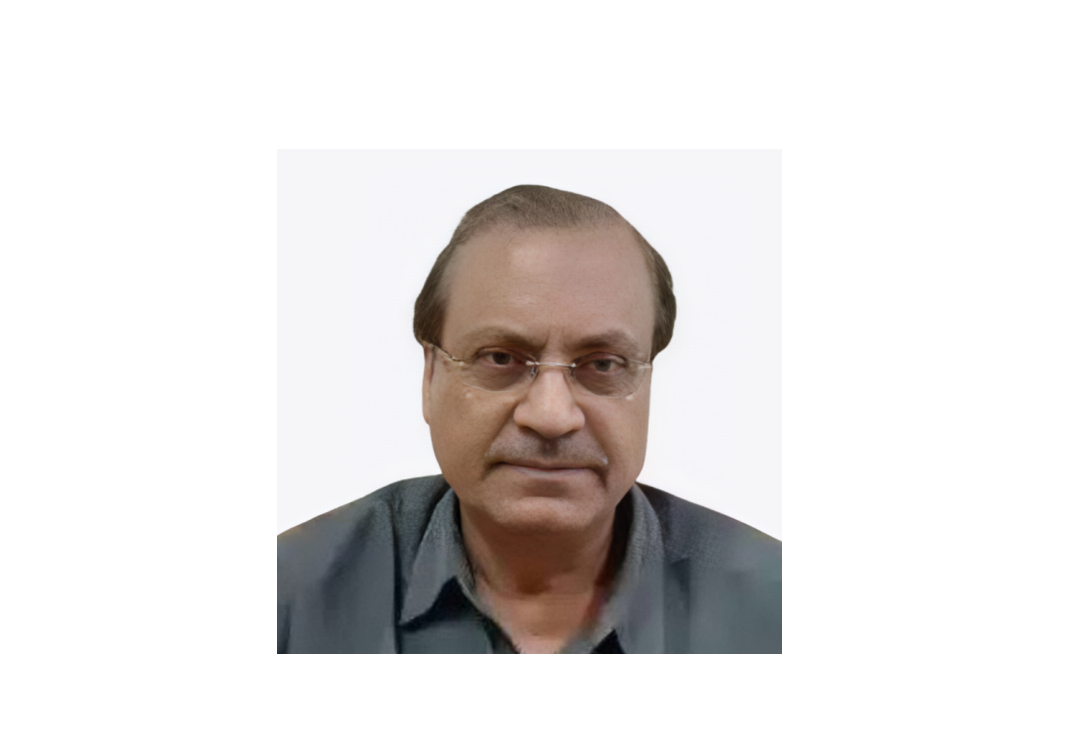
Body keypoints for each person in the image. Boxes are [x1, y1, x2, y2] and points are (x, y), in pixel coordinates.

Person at [278, 185, 781, 654]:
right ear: (430, 375)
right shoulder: (295, 597)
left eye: (603, 365)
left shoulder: (767, 606)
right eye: (500, 358)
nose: (551, 415)